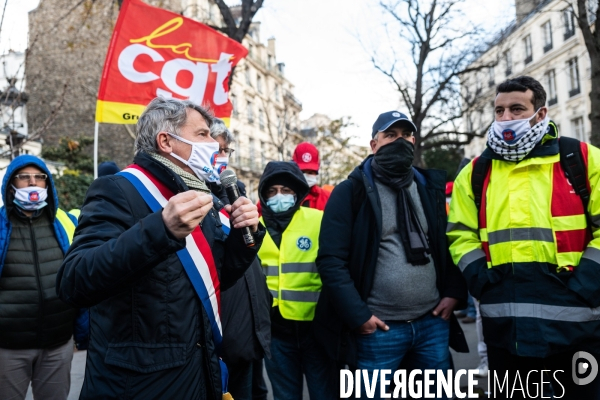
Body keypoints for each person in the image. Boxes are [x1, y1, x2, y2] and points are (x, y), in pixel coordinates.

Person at [56, 97, 264, 399]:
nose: (214, 145)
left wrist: (245, 238)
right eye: (203, 135)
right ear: (166, 141)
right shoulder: (118, 189)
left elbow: (212, 278)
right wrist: (161, 230)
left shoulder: (198, 193)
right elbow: (74, 281)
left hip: (196, 372)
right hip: (138, 383)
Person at [447, 76, 600, 399]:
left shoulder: (584, 159)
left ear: (540, 113)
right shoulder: (475, 172)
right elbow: (460, 235)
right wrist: (483, 282)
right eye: (499, 110)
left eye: (517, 109)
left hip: (578, 327)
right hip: (505, 329)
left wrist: (584, 285)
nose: (506, 118)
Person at [314, 111, 468, 399]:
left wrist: (454, 292)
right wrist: (359, 316)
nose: (400, 141)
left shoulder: (427, 187)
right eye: (390, 136)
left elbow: (448, 243)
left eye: (405, 135)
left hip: (431, 323)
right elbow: (331, 261)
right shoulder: (350, 192)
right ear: (374, 145)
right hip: (378, 330)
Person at [0, 155, 88, 400]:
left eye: (39, 178)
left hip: (57, 345)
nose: (32, 183)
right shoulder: (0, 225)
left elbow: (78, 278)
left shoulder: (65, 222)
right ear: (11, 184)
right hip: (8, 348)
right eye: (24, 178)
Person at [258, 161, 337, 400]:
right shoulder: (253, 227)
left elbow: (336, 269)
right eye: (272, 191)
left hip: (316, 331)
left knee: (324, 394)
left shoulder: (319, 220)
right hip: (276, 335)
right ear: (263, 195)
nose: (278, 196)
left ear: (298, 193)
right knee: (285, 396)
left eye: (286, 190)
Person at [210, 118, 271, 400]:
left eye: (226, 151)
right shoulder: (196, 202)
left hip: (252, 331)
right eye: (215, 148)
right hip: (225, 340)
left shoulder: (238, 200)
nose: (222, 157)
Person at [292, 142, 330, 210]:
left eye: (310, 172)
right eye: (302, 172)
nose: (305, 176)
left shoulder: (328, 198)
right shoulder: (287, 198)